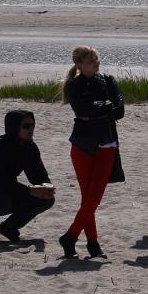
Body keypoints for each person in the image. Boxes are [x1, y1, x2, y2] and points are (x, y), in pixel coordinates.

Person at [60, 45, 124, 260]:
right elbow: (82, 111)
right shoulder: (74, 85)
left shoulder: (108, 80)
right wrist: (105, 107)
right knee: (88, 198)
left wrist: (98, 110)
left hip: (107, 143)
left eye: (97, 59)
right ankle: (93, 244)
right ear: (79, 65)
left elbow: (120, 110)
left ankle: (70, 236)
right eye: (91, 61)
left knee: (94, 197)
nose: (96, 63)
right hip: (82, 145)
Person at [0, 110, 55, 250]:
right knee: (1, 197)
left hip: (4, 192)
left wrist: (46, 186)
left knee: (47, 198)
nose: (31, 129)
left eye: (32, 125)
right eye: (26, 126)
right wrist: (29, 190)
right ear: (14, 127)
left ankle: (9, 228)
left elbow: (38, 175)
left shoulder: (29, 147)